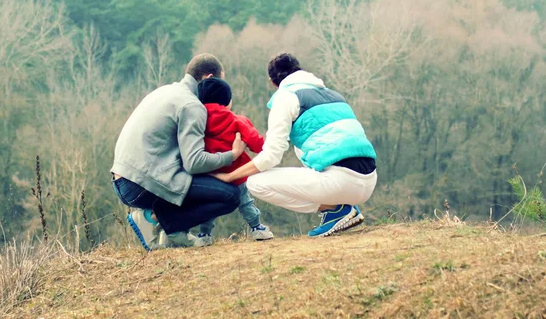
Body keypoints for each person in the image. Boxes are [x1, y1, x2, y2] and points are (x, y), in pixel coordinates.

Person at [212, 53, 377, 238]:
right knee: (302, 148)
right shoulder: (334, 95)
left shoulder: (285, 97)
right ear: (299, 70)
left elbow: (271, 156)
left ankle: (334, 210)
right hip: (369, 181)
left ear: (272, 82)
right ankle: (337, 209)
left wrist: (229, 176)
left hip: (340, 182)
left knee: (256, 183)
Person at [111, 54, 245, 250]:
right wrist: (231, 156)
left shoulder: (165, 91)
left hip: (124, 179)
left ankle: (172, 232)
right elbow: (194, 162)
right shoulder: (192, 105)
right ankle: (155, 220)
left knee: (201, 184)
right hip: (140, 185)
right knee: (231, 196)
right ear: (208, 79)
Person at [193, 77, 273, 246]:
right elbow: (257, 144)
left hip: (209, 173)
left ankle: (204, 235)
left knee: (210, 204)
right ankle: (257, 228)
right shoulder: (237, 120)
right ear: (227, 101)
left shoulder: (197, 122)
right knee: (245, 202)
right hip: (236, 173)